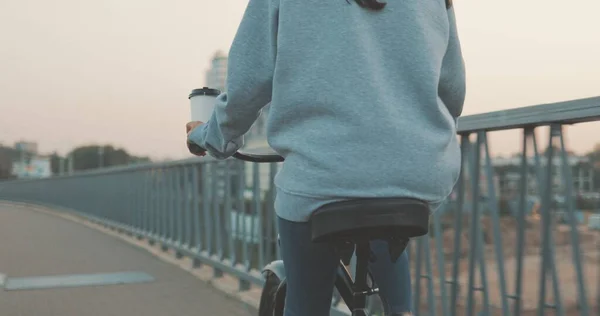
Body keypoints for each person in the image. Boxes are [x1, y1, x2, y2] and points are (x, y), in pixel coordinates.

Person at [186, 0, 465, 315]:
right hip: (419, 171)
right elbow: (453, 90)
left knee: (306, 305)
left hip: (322, 175)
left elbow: (246, 88)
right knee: (388, 237)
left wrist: (210, 136)